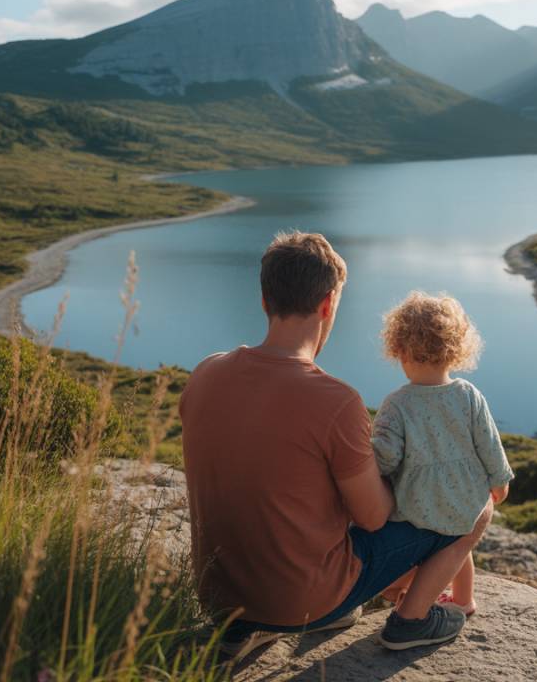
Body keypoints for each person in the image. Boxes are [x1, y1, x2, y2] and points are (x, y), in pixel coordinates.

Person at [180, 231, 491, 661]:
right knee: (478, 510)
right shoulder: (335, 400)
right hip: (300, 602)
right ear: (328, 304)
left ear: (265, 300)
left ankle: (246, 628)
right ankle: (412, 622)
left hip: (220, 596)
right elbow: (375, 516)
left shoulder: (205, 373)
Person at [372, 291, 513, 617]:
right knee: (459, 541)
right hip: (467, 499)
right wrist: (500, 484)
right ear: (455, 350)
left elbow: (385, 460)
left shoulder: (397, 404)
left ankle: (414, 592)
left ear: (400, 348)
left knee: (437, 548)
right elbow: (489, 445)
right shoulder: (468, 394)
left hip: (419, 504)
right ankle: (464, 601)